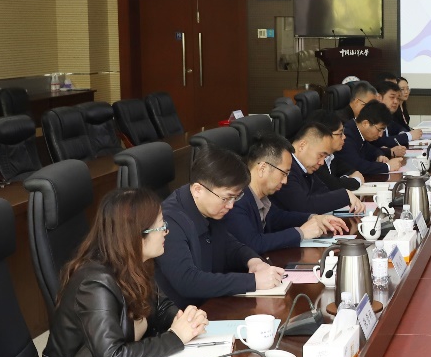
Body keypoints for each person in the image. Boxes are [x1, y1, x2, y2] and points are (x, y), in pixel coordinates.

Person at [2, 188, 208, 357]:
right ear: (136, 235)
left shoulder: (135, 265)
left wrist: (182, 319)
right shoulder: (95, 283)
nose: (166, 232)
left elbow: (159, 306)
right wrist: (175, 338)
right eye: (161, 226)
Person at [155, 146, 285, 307]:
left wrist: (253, 261)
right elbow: (187, 281)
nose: (231, 205)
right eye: (226, 198)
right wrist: (253, 281)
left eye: (236, 198)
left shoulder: (210, 208)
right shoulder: (168, 220)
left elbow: (229, 245)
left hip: (211, 304)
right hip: (184, 314)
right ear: (198, 190)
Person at [224, 134, 348, 254]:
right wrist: (301, 232)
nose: (285, 181)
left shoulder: (259, 196)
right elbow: (253, 244)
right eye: (283, 173)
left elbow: (277, 218)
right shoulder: (236, 199)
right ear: (263, 169)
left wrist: (313, 218)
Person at [271, 119, 367, 215]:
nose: (322, 162)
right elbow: (303, 206)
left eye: (325, 157)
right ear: (302, 146)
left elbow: (323, 192)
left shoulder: (305, 167)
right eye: (321, 155)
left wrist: (344, 195)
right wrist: (344, 195)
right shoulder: (284, 169)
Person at [337, 100, 404, 175]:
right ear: (365, 124)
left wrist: (379, 155)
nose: (380, 135)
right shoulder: (347, 136)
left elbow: (371, 150)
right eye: (379, 130)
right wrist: (387, 166)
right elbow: (357, 166)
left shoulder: (357, 131)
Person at [306, 109, 366, 191]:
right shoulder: (313, 160)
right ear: (324, 135)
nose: (344, 137)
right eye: (340, 133)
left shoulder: (331, 156)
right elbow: (333, 185)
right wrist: (356, 180)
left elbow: (349, 170)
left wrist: (348, 177)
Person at [378, 79, 420, 147]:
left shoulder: (386, 117)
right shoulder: (374, 117)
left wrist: (403, 133)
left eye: (397, 98)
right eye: (392, 97)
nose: (396, 102)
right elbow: (382, 142)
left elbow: (400, 128)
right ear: (379, 98)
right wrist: (409, 136)